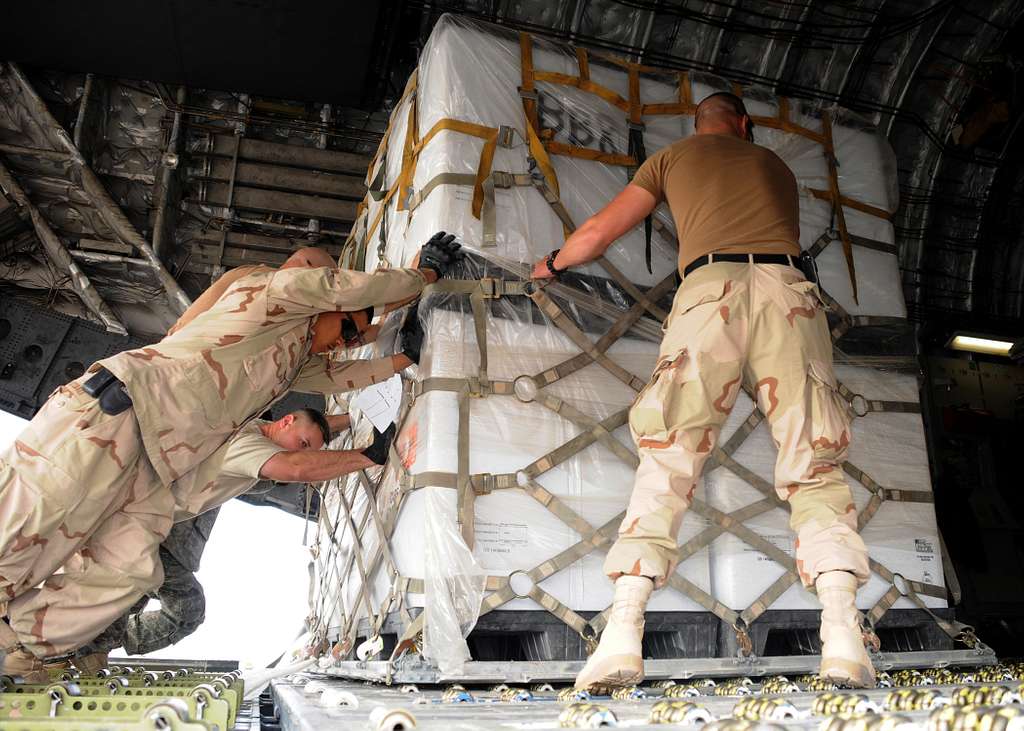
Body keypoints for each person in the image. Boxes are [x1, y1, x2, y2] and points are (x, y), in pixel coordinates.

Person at [0, 233, 460, 678]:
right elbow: (339, 287)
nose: (345, 341)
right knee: (33, 522)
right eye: (345, 327)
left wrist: (403, 360)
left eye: (351, 336)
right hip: (118, 415)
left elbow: (339, 378)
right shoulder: (269, 291)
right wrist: (423, 274)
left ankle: (16, 644)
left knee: (130, 571)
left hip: (154, 465)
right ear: (322, 297)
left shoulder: (291, 356)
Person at [531, 94, 872, 689]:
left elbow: (597, 233)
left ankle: (622, 636)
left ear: (699, 125)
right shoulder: (777, 168)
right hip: (789, 296)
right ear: (746, 125)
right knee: (815, 463)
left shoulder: (670, 159)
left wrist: (552, 265)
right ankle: (843, 637)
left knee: (670, 456)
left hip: (708, 294)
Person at [72, 409, 389, 674]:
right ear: (283, 421)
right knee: (161, 604)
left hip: (163, 546)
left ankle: (92, 646)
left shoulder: (255, 456)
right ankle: (82, 649)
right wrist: (368, 456)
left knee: (161, 607)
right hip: (148, 537)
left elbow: (304, 434)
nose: (303, 450)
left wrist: (351, 417)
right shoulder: (245, 445)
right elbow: (295, 465)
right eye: (303, 443)